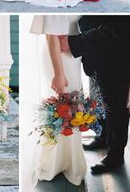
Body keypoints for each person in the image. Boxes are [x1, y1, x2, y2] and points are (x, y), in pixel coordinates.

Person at [59, 15, 130, 173]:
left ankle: (116, 154)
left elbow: (120, 26)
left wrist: (77, 43)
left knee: (115, 106)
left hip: (116, 55)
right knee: (99, 99)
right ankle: (103, 136)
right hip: (95, 54)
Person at [21, 15, 87, 191]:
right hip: (58, 56)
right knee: (63, 108)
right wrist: (59, 74)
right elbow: (51, 35)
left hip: (70, 53)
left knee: (73, 109)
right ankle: (54, 161)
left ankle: (68, 159)